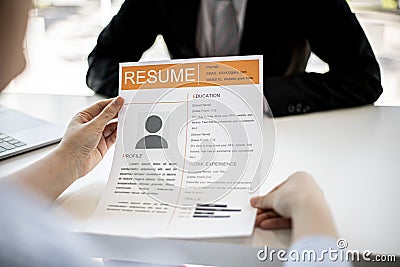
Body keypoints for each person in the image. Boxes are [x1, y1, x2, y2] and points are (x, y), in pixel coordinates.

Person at [0, 2, 351, 266]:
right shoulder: (39, 248)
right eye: (25, 12)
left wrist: (250, 93)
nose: (24, 64)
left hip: (283, 137)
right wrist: (309, 205)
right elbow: (102, 64)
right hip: (176, 139)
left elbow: (361, 76)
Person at [86, 0, 383, 117]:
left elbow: (363, 78)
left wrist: (256, 94)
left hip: (279, 132)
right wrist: (162, 91)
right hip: (182, 127)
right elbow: (102, 63)